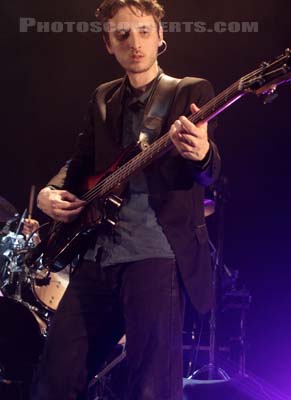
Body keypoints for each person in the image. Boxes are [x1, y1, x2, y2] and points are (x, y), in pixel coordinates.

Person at [30, 0, 221, 399]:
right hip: (97, 254)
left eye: (143, 31)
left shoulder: (188, 91)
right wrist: (48, 193)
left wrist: (202, 152)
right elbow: (80, 164)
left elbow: (206, 171)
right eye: (122, 34)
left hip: (155, 256)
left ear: (160, 36)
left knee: (151, 387)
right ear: (109, 44)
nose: (134, 42)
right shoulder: (102, 98)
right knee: (55, 377)